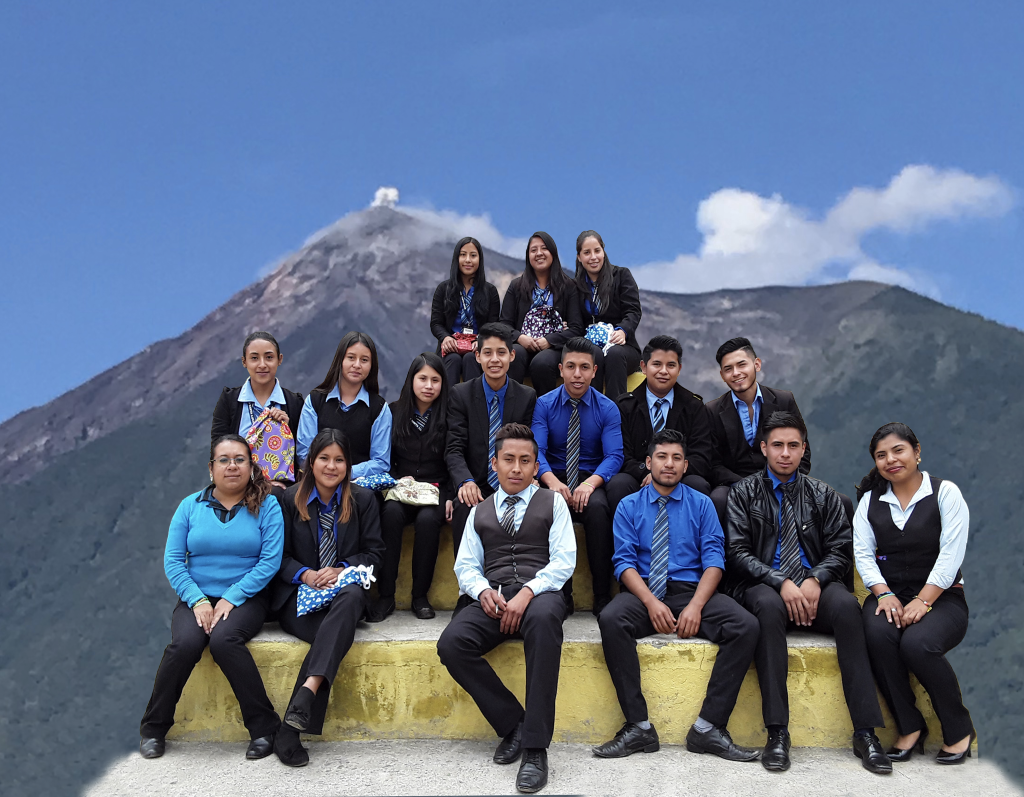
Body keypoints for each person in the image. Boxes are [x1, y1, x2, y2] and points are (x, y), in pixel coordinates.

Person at [724, 411, 891, 775]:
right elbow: (737, 552)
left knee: (848, 606)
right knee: (767, 609)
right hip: (764, 586)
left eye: (793, 446)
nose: (786, 453)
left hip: (814, 585)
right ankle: (777, 732)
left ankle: (865, 732)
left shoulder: (824, 495)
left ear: (804, 449)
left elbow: (839, 548)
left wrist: (814, 580)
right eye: (778, 445)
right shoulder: (742, 493)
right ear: (764, 448)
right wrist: (780, 581)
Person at [594, 430, 761, 763]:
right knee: (611, 619)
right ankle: (638, 727)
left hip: (690, 591)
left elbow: (715, 559)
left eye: (675, 459)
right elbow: (623, 562)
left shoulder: (701, 504)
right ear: (648, 463)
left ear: (685, 466)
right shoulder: (628, 505)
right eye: (661, 457)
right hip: (643, 590)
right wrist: (651, 602)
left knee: (746, 626)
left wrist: (697, 606)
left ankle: (708, 728)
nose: (668, 464)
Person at [436, 423, 576, 794]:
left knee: (546, 621)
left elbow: (564, 561)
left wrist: (528, 592)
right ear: (494, 463)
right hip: (494, 596)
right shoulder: (478, 510)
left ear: (535, 467)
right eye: (509, 460)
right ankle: (514, 723)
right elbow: (465, 565)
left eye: (525, 461)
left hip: (540, 593)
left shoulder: (553, 502)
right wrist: (482, 591)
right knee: (451, 644)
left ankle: (534, 748)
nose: (516, 468)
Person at [139, 434, 283, 761]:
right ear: (211, 467)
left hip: (248, 596)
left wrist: (232, 597)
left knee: (224, 641)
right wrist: (198, 600)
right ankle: (153, 728)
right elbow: (174, 561)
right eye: (224, 460)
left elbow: (270, 561)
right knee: (184, 645)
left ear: (251, 465)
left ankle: (264, 728)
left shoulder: (268, 504)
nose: (232, 466)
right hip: (197, 597)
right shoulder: (190, 506)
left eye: (239, 459)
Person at [854, 422, 975, 764]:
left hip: (943, 598)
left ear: (917, 452)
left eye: (898, 451)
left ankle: (959, 729)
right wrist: (883, 593)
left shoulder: (945, 493)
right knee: (878, 635)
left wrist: (923, 601)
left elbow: (951, 555)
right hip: (889, 595)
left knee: (918, 644)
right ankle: (910, 726)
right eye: (881, 455)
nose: (891, 460)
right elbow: (863, 553)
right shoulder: (870, 502)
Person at [271, 428, 385, 766]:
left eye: (339, 460)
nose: (331, 466)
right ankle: (296, 717)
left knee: (351, 597)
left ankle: (299, 709)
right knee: (332, 636)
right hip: (298, 599)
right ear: (310, 462)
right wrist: (305, 574)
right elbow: (276, 555)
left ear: (349, 465)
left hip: (341, 596)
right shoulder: (288, 500)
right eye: (324, 458)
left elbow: (375, 553)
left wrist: (342, 567)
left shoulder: (363, 500)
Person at [532, 337, 623, 615]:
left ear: (595, 371)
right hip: (554, 475)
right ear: (560, 369)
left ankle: (601, 594)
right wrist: (552, 481)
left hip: (590, 476)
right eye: (571, 366)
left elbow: (614, 456)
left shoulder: (607, 408)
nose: (577, 374)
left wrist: (590, 483)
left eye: (585, 367)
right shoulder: (544, 405)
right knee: (549, 507)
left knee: (598, 511)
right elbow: (537, 452)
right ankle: (562, 593)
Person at [370, 352, 453, 622]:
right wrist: (396, 480)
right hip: (400, 488)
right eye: (423, 379)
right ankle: (386, 595)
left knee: (429, 521)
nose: (428, 386)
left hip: (436, 490)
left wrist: (450, 494)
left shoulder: (450, 416)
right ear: (412, 381)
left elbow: (457, 456)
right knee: (391, 514)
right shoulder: (394, 412)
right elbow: (386, 457)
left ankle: (420, 596)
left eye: (435, 380)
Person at [445, 323, 537, 564]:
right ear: (477, 356)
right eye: (487, 353)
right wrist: (465, 481)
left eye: (501, 352)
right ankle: (467, 591)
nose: (494, 360)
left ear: (512, 355)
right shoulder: (461, 394)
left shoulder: (526, 396)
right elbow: (454, 448)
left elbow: (528, 446)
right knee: (463, 506)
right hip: (477, 482)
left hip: (514, 482)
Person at [706, 337, 812, 525]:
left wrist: (785, 481)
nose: (736, 373)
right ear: (722, 375)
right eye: (728, 369)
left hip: (782, 478)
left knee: (836, 501)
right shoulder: (712, 410)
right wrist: (746, 486)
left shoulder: (783, 400)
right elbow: (713, 463)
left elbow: (802, 449)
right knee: (718, 500)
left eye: (741, 365)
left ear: (757, 365)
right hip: (734, 483)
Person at [607, 335, 713, 516]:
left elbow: (702, 456)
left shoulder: (694, 407)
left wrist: (671, 473)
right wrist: (647, 472)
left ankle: (689, 543)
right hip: (639, 476)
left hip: (680, 476)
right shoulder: (625, 406)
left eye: (671, 365)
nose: (663, 371)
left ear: (679, 369)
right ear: (644, 367)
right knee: (619, 484)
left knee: (698, 485)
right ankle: (623, 543)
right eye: (657, 364)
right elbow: (621, 454)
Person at [211, 331, 304, 492]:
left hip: (281, 492)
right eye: (254, 358)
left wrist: (286, 429)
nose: (262, 364)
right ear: (244, 362)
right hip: (237, 489)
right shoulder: (230, 401)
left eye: (269, 357)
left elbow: (302, 454)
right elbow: (218, 450)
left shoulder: (294, 403)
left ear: (279, 360)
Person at [295, 331, 392, 477]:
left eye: (364, 360)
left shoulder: (379, 408)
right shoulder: (315, 401)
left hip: (360, 489)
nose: (357, 365)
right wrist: (328, 473)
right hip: (317, 483)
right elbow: (304, 454)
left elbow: (380, 462)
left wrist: (345, 473)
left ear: (372, 365)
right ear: (340, 360)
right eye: (351, 358)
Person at [500, 231, 583, 396]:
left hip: (553, 348)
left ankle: (547, 416)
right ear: (528, 256)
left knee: (542, 363)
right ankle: (513, 415)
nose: (539, 253)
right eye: (533, 250)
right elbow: (503, 324)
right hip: (522, 344)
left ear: (553, 253)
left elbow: (576, 328)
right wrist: (520, 338)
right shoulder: (516, 287)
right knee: (513, 357)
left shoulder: (568, 287)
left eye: (544, 248)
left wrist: (549, 340)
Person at [572, 230, 642, 398]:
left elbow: (633, 310)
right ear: (579, 257)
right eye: (587, 253)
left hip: (623, 346)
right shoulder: (574, 286)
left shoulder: (622, 275)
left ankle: (616, 414)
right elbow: (575, 321)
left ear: (603, 251)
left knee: (615, 354)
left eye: (597, 251)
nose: (593, 257)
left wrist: (623, 330)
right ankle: (592, 413)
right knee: (592, 354)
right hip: (590, 346)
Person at [430, 236, 501, 385]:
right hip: (451, 347)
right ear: (456, 259)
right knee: (453, 359)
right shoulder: (443, 289)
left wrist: (482, 340)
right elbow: (436, 323)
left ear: (480, 260)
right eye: (463, 255)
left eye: (473, 255)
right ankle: (449, 407)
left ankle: (473, 406)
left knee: (471, 358)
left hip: (478, 347)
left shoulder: (490, 291)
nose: (468, 260)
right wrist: (445, 338)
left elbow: (494, 324)